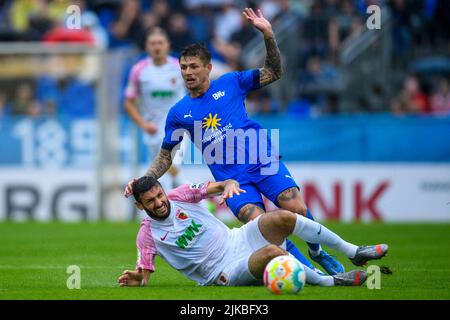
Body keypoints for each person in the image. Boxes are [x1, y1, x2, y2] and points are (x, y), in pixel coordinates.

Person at [124, 8, 344, 275]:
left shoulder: (231, 82)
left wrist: (268, 35)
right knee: (262, 224)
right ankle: (309, 272)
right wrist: (143, 181)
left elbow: (274, 72)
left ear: (208, 67)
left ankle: (317, 252)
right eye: (183, 67)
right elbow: (165, 156)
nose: (188, 72)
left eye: (194, 66)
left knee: (294, 206)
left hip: (260, 160)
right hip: (232, 179)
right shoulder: (179, 112)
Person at [118, 176, 388, 287]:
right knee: (272, 253)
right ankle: (331, 281)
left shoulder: (180, 195)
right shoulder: (147, 234)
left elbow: (215, 186)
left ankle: (353, 251)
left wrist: (228, 184)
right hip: (221, 271)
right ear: (141, 206)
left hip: (238, 237)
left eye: (159, 195)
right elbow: (144, 274)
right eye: (151, 201)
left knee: (283, 217)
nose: (159, 202)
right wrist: (137, 279)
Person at [124, 27, 187, 190]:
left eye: (160, 43)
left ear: (168, 45)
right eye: (152, 43)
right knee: (166, 174)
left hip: (177, 126)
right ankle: (199, 201)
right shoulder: (139, 70)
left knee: (172, 166)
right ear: (146, 47)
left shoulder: (180, 67)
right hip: (152, 129)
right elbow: (129, 102)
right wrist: (144, 124)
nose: (157, 47)